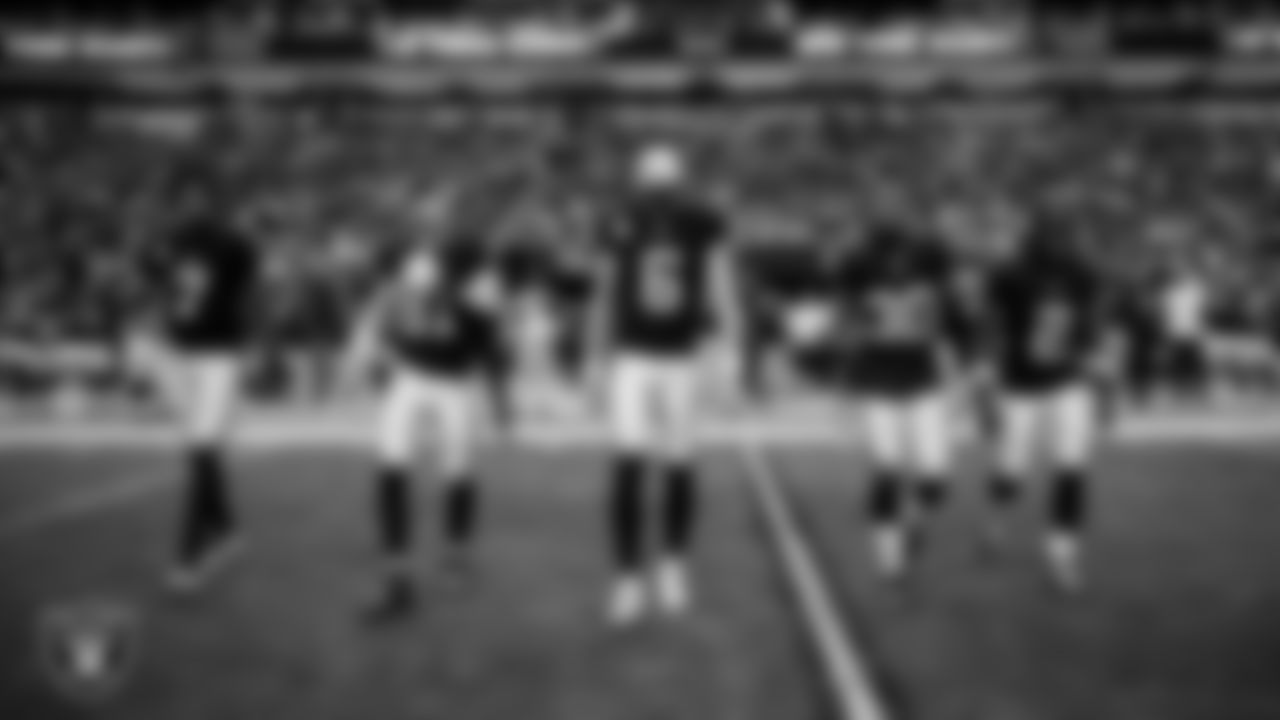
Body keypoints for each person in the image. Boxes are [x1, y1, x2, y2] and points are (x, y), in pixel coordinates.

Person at [591, 143, 739, 626]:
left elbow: (720, 287)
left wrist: (728, 351)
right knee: (630, 461)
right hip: (634, 355)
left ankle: (671, 563)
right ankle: (629, 575)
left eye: (664, 183)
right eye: (653, 183)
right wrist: (595, 357)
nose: (658, 192)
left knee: (678, 461)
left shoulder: (701, 222)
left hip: (681, 356)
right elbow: (606, 291)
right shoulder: (620, 221)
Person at [343, 241, 504, 622]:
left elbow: (483, 343)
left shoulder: (483, 285)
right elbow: (387, 312)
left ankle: (456, 554)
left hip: (455, 382)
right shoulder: (421, 270)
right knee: (392, 465)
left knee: (457, 471)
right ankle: (397, 576)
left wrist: (498, 396)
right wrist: (372, 352)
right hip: (412, 375)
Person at [981, 212, 1119, 593]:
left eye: (1062, 237)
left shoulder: (1082, 274)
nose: (1058, 244)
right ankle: (997, 516)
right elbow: (993, 328)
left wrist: (1104, 384)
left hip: (1067, 382)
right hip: (1021, 386)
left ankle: (1062, 553)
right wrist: (988, 383)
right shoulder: (1009, 275)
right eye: (1052, 237)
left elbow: (1095, 328)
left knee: (1072, 466)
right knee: (1012, 468)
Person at [832, 223, 966, 581]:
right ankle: (888, 552)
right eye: (890, 257)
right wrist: (845, 389)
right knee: (887, 469)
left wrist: (959, 382)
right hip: (879, 386)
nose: (897, 264)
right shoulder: (863, 294)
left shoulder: (931, 291)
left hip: (923, 385)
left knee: (936, 478)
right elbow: (850, 340)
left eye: (903, 257)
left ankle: (913, 517)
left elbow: (948, 335)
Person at [161, 185, 260, 594]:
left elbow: (247, 294)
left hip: (219, 355)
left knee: (203, 449)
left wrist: (252, 345)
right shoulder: (179, 239)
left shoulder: (234, 244)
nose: (190, 204)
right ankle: (228, 530)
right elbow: (174, 291)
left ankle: (190, 556)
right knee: (198, 453)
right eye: (185, 197)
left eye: (197, 196)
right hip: (181, 353)